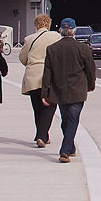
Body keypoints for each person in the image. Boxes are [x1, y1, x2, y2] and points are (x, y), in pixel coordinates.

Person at [41, 17, 96, 163]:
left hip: (58, 90)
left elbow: (47, 73)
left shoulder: (52, 49)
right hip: (77, 90)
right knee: (71, 120)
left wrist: (44, 93)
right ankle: (65, 151)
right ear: (74, 30)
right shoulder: (83, 48)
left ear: (60, 31)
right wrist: (91, 84)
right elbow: (90, 69)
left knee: (66, 120)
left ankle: (69, 147)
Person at [19, 14, 62, 148]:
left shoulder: (29, 39)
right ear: (48, 24)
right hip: (50, 75)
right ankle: (42, 135)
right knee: (50, 106)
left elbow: (22, 58)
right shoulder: (56, 37)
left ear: (36, 25)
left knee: (37, 107)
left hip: (33, 75)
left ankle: (42, 134)